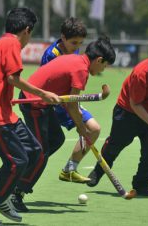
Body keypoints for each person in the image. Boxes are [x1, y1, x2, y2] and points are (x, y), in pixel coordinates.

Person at [0, 7, 60, 225]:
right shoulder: (11, 44)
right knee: (17, 161)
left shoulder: (0, 44)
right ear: (27, 30)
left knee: (36, 150)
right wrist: (43, 94)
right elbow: (13, 79)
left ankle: (3, 197)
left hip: (6, 114)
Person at [11, 36, 116, 212]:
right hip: (34, 103)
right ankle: (16, 192)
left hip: (42, 104)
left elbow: (70, 101)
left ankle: (28, 162)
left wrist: (81, 126)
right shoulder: (81, 70)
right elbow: (71, 105)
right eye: (104, 65)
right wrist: (82, 128)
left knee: (56, 139)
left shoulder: (77, 59)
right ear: (99, 60)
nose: (102, 69)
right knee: (41, 152)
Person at [87, 35, 148, 197]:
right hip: (128, 111)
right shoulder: (141, 73)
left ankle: (141, 184)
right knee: (115, 144)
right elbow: (135, 104)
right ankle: (98, 171)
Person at [39, 17, 95, 183]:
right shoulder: (51, 55)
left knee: (93, 129)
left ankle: (69, 169)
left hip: (68, 101)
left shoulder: (74, 50)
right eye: (74, 43)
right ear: (63, 37)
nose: (77, 47)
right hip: (52, 105)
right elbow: (46, 84)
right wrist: (76, 117)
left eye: (80, 43)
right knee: (45, 145)